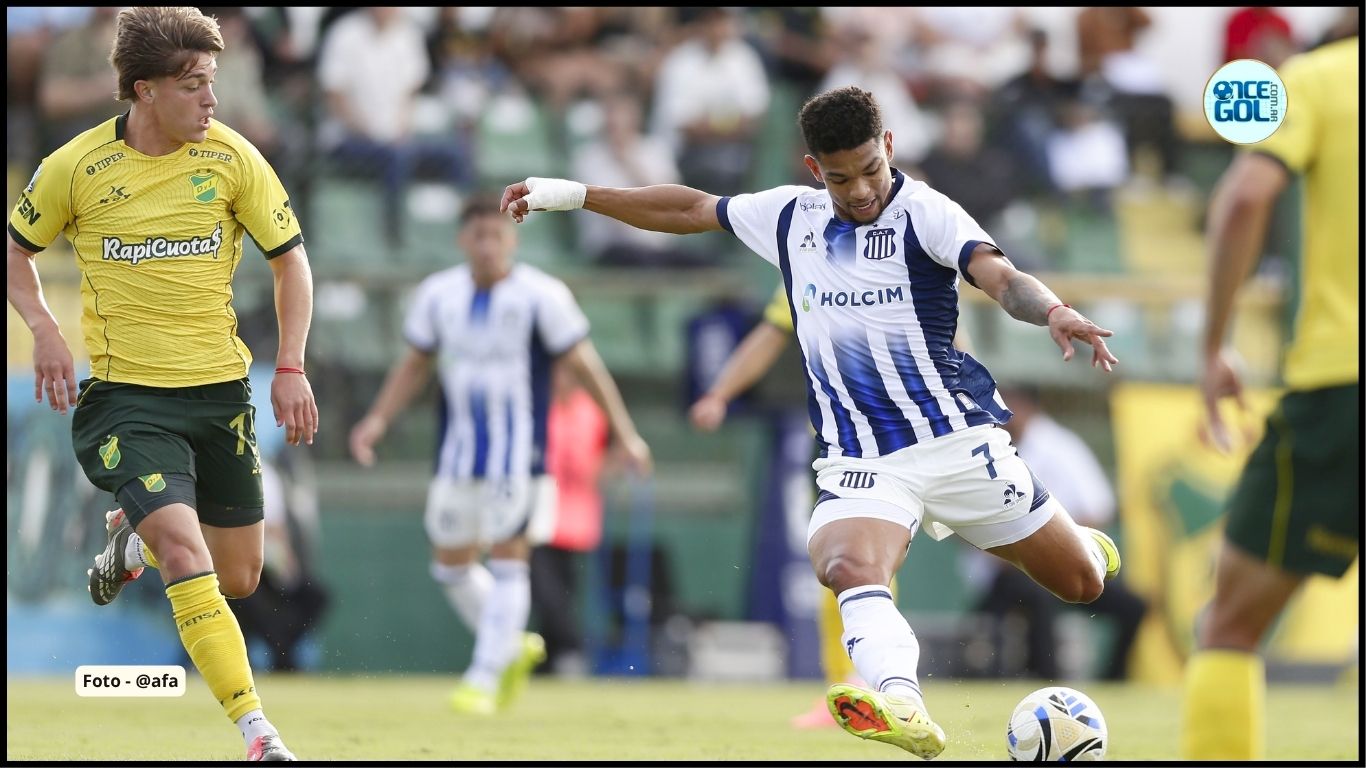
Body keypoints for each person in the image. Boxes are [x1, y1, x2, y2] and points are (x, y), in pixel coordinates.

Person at [502, 84, 1122, 759]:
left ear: (888, 148)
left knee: (1081, 583)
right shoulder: (789, 219)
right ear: (812, 169)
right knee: (847, 564)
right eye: (838, 178)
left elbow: (1000, 276)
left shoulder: (928, 214)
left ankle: (1083, 545)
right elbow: (687, 207)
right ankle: (903, 705)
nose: (858, 190)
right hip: (862, 459)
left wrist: (1054, 310)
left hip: (956, 443)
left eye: (869, 171)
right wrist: (575, 194)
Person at [6, 7, 316, 762]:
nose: (213, 100)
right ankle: (258, 732)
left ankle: (132, 549)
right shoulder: (75, 168)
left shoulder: (233, 158)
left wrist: (290, 364)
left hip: (219, 398)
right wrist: (46, 329)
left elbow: (290, 261)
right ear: (143, 91)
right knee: (189, 553)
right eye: (194, 86)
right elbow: (15, 254)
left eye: (212, 82)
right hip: (126, 402)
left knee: (240, 579)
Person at [348, 196, 652, 715]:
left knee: (511, 558)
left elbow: (585, 364)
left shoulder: (542, 295)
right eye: (478, 236)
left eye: (497, 236)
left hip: (522, 456)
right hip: (457, 455)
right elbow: (414, 364)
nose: (488, 246)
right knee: (450, 565)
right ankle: (507, 641)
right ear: (463, 240)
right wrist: (377, 419)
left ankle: (484, 678)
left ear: (513, 241)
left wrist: (624, 433)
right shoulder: (437, 295)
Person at [1182, 33, 1359, 761]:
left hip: (1341, 388)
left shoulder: (1319, 79)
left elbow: (1247, 195)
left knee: (1229, 624)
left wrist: (1213, 343)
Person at [690, 283, 881, 730]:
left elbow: (949, 334)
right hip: (840, 439)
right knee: (843, 565)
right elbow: (772, 334)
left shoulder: (908, 247)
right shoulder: (807, 252)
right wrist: (721, 393)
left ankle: (870, 686)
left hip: (902, 433)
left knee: (864, 563)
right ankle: (852, 690)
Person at [965, 385, 1147, 681]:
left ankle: (1114, 682)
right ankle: (1048, 680)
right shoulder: (981, 445)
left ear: (1029, 407)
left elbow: (1097, 510)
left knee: (1134, 607)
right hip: (1008, 570)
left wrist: (1054, 545)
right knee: (1033, 595)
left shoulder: (1061, 447)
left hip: (1065, 560)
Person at [528, 363, 610, 677]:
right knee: (544, 593)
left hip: (578, 522)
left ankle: (549, 663)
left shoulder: (591, 412)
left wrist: (600, 472)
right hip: (538, 518)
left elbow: (611, 451)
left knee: (563, 594)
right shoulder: (537, 407)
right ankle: (570, 650)